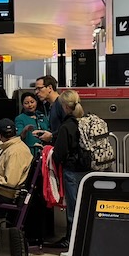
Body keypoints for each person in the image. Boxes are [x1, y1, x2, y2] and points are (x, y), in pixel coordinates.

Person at [49, 89, 88, 240]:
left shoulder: (66, 126)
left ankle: (72, 242)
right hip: (88, 170)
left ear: (65, 106)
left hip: (72, 171)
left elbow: (59, 154)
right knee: (84, 205)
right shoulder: (86, 121)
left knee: (73, 209)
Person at [31, 75, 66, 144]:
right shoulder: (51, 106)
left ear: (50, 88)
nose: (36, 92)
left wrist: (52, 136)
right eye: (36, 89)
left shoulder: (61, 104)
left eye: (39, 88)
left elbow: (69, 127)